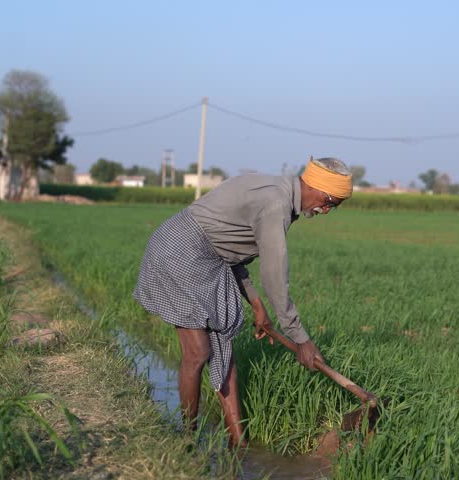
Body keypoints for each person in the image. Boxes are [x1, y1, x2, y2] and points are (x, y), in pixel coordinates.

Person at [133, 156, 353, 447]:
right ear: (318, 189)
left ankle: (238, 440)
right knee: (198, 352)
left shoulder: (277, 191)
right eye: (331, 203)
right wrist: (301, 338)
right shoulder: (276, 205)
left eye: (333, 206)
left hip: (210, 257)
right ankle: (186, 440)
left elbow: (229, 247)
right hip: (180, 252)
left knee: (224, 346)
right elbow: (275, 276)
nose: (326, 211)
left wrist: (257, 304)